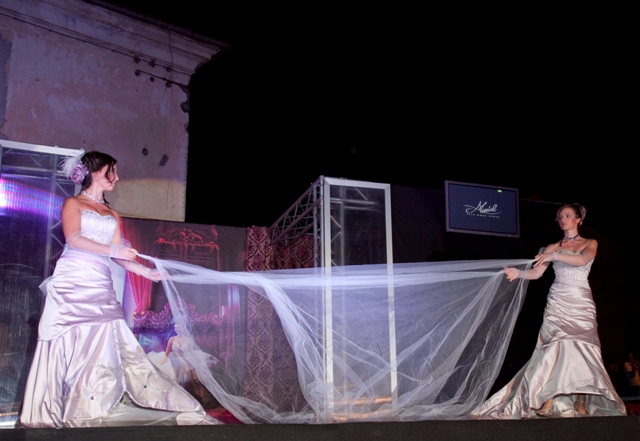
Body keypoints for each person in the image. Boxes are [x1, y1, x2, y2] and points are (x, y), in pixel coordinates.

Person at [19, 150, 217, 427]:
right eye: (111, 170)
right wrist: (114, 250)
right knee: (67, 339)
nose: (117, 176)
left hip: (100, 282)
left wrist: (146, 272)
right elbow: (74, 239)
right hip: (74, 279)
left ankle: (90, 404)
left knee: (103, 341)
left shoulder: (112, 213)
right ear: (94, 172)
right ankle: (54, 407)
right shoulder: (73, 203)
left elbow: (118, 256)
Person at [473, 203, 626, 418]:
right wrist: (519, 273)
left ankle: (581, 399)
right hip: (558, 299)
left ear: (578, 219)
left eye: (568, 215)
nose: (563, 219)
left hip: (580, 299)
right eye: (560, 216)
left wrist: (554, 256)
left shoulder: (590, 243)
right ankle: (549, 397)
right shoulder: (551, 247)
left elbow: (582, 259)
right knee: (555, 346)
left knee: (582, 347)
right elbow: (536, 274)